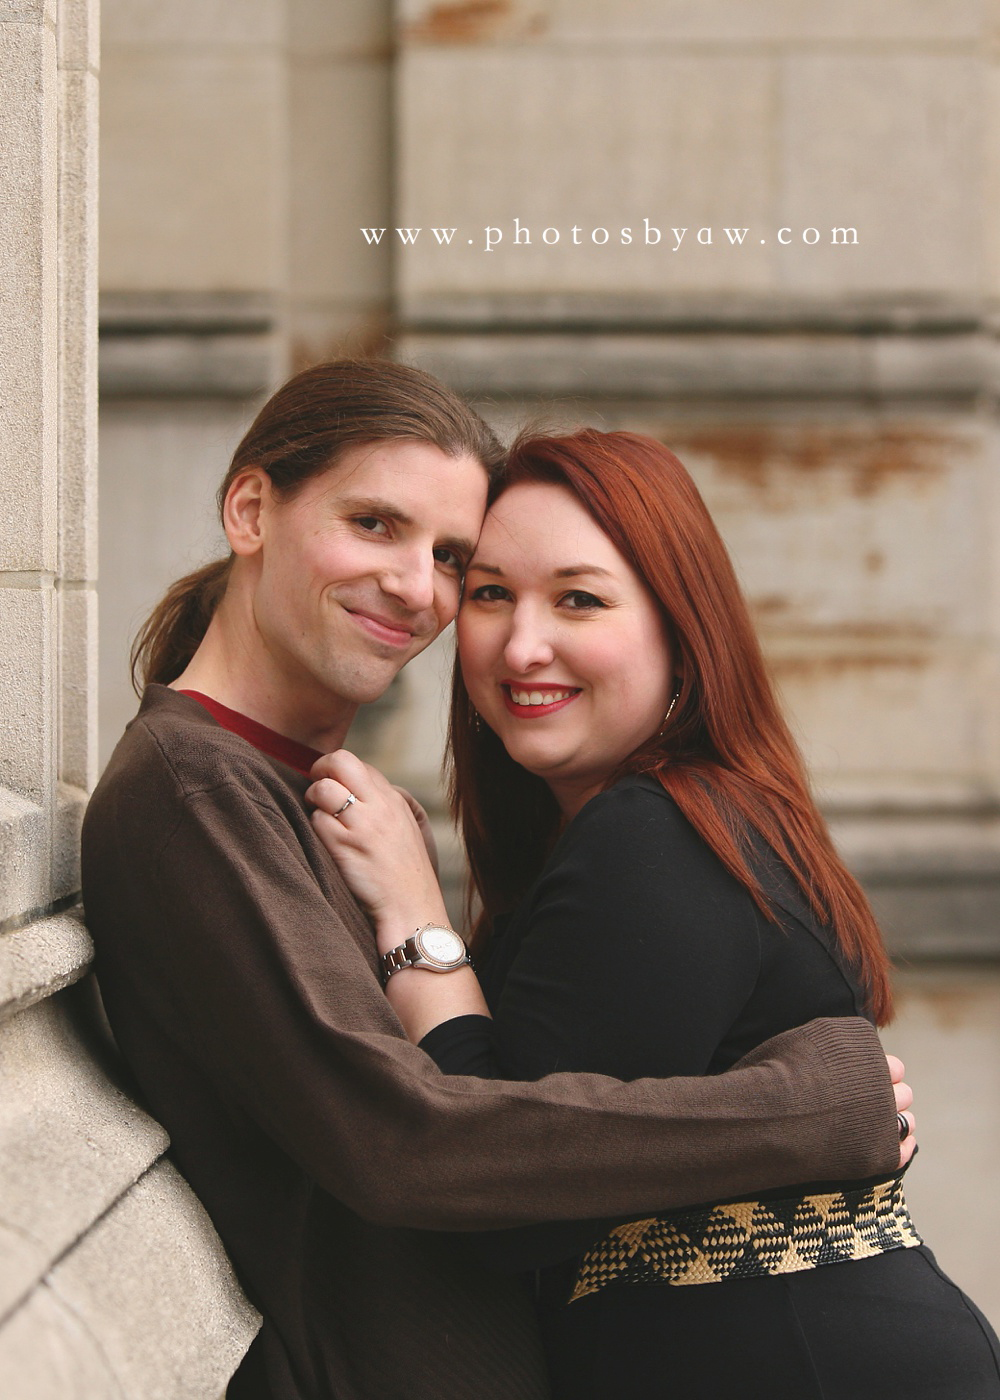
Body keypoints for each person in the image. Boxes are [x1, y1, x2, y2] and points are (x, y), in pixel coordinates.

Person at [82, 363, 911, 1400]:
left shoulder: (303, 790)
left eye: (446, 558)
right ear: (250, 508)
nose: (413, 585)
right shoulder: (195, 787)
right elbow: (403, 1138)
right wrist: (808, 1109)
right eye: (373, 523)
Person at [308, 427, 999, 1400]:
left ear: (682, 634)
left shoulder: (656, 832)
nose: (522, 641)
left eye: (579, 597)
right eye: (492, 592)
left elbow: (510, 1187)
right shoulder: (638, 830)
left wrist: (417, 922)